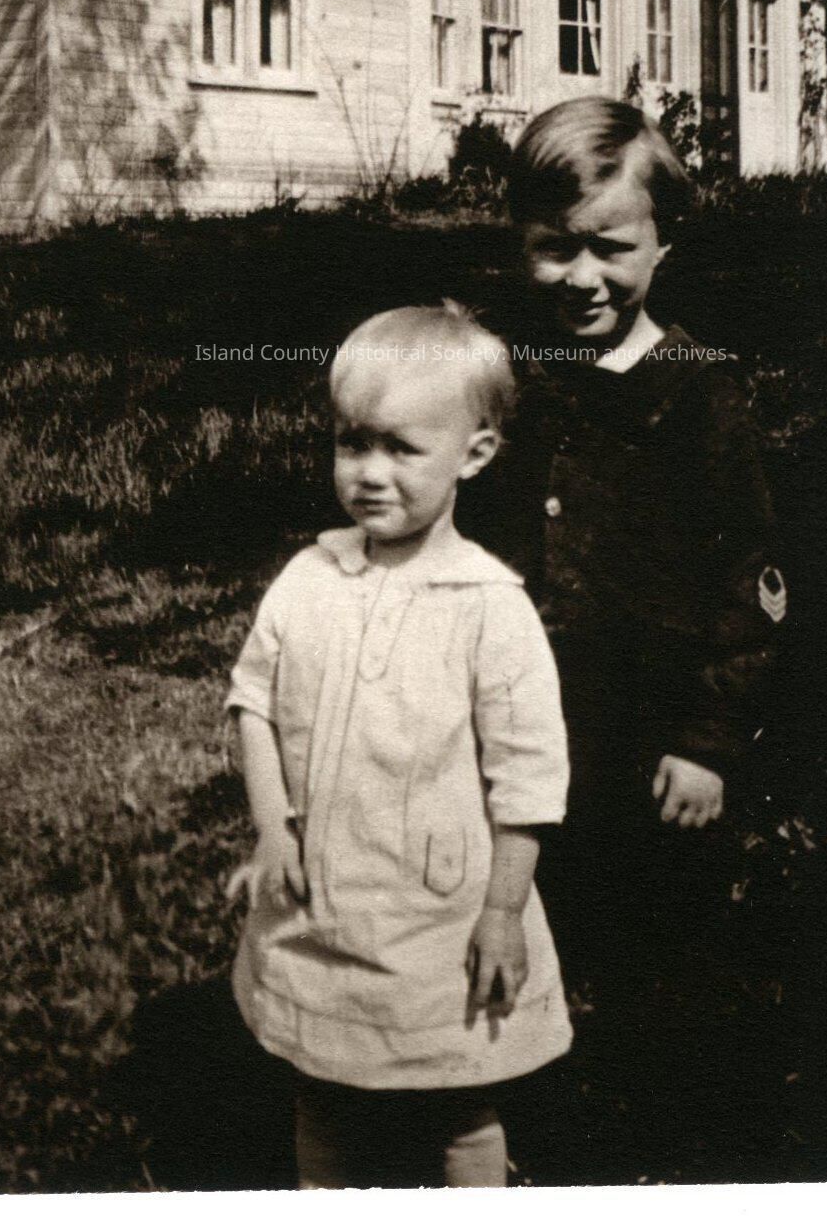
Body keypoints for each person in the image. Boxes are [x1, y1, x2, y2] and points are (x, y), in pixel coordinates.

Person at [465, 96, 788, 1176]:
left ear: (661, 242)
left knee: (659, 952)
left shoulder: (699, 397)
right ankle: (514, 1131)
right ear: (520, 241)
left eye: (611, 247)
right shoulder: (506, 381)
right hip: (519, 737)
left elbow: (748, 584)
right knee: (517, 929)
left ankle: (657, 1149)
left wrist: (708, 739)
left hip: (648, 740)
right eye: (554, 248)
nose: (582, 277)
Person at [225, 303, 572, 1190]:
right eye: (352, 443)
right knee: (323, 1088)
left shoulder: (488, 605)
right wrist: (272, 828)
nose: (370, 473)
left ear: (473, 454)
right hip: (322, 900)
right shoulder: (308, 579)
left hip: (439, 916)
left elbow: (528, 778)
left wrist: (502, 910)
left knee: (460, 1098)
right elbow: (253, 701)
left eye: (401, 448)